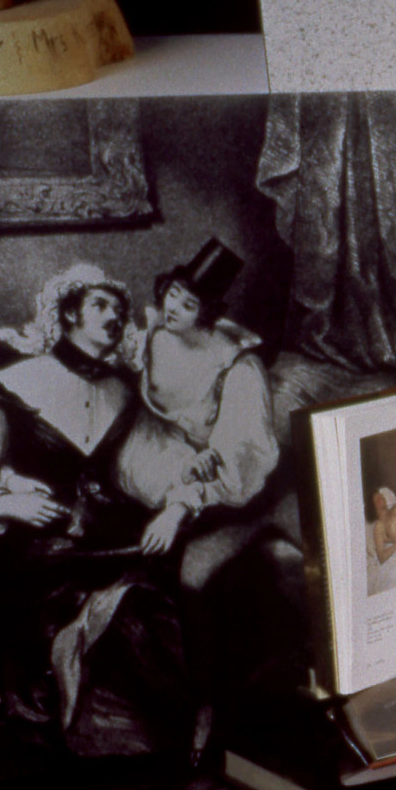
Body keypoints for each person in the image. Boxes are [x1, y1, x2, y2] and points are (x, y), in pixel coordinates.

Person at [0, 265, 200, 757]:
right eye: (100, 306)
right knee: (126, 619)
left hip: (109, 546)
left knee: (156, 605)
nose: (114, 317)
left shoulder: (131, 392)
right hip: (32, 560)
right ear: (68, 314)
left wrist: (176, 507)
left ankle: (181, 736)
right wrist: (4, 501)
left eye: (120, 309)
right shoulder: (12, 386)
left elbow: (166, 467)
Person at [119, 239, 279, 578]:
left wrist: (193, 480)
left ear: (205, 312)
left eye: (188, 304)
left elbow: (238, 449)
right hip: (152, 444)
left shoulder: (237, 367)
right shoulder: (155, 331)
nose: (173, 306)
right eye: (173, 293)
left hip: (209, 463)